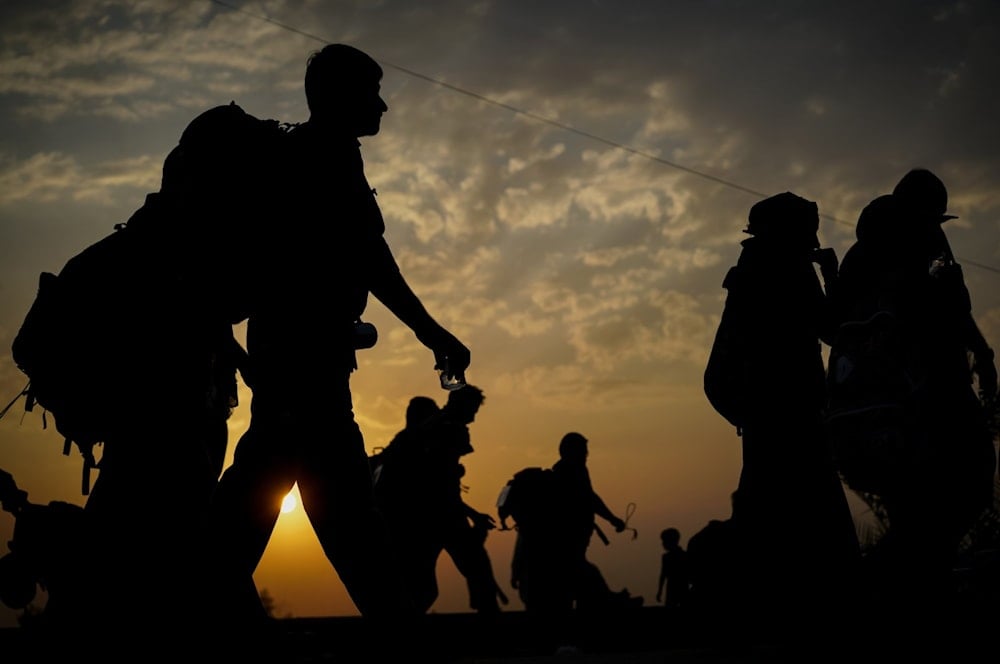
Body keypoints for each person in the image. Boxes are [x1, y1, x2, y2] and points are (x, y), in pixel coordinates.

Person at [203, 43, 471, 643]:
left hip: (294, 352)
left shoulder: (320, 156)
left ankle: (189, 603)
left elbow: (363, 258)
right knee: (329, 496)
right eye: (370, 91)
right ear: (336, 96)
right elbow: (371, 259)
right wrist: (433, 332)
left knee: (304, 488)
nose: (382, 105)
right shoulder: (322, 158)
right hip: (303, 354)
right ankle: (397, 632)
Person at [831, 171, 997, 616]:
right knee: (965, 486)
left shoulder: (859, 254)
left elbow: (836, 327)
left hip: (869, 410)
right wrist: (981, 355)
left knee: (918, 506)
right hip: (926, 397)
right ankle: (895, 588)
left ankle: (911, 594)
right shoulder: (918, 248)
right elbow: (951, 312)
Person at [708, 192, 862, 636]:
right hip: (790, 408)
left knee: (765, 506)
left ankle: (745, 611)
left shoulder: (751, 268)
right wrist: (834, 275)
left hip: (762, 410)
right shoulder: (787, 267)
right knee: (809, 511)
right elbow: (833, 329)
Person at [373, 386, 507, 615]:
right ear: (462, 405)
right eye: (472, 409)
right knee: (477, 569)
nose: (473, 417)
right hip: (440, 517)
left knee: (424, 587)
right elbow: (440, 486)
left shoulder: (423, 430)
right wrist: (472, 515)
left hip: (423, 519)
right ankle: (491, 628)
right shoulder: (447, 430)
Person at [655, 527, 690, 609]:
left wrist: (659, 591)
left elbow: (663, 575)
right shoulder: (684, 555)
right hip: (682, 587)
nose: (663, 544)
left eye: (664, 541)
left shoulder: (667, 557)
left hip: (673, 588)